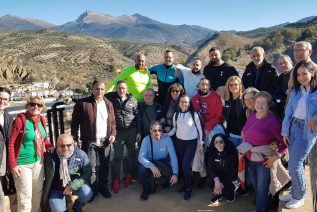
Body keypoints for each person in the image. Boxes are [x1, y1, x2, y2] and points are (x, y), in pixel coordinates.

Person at [241, 91, 286, 212]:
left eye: (263, 103)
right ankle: (265, 204)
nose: (260, 105)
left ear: (268, 105)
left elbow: (286, 143)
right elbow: (246, 132)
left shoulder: (272, 121)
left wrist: (277, 155)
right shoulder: (251, 115)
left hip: (264, 161)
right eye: (258, 102)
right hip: (250, 157)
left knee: (262, 188)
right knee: (256, 186)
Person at [280, 61, 317, 209]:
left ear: (312, 73)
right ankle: (296, 192)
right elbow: (288, 112)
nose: (301, 77)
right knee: (295, 164)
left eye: (304, 74)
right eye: (298, 74)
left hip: (307, 131)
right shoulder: (296, 91)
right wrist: (284, 131)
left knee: (295, 165)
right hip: (293, 127)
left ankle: (299, 196)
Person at [71, 80, 116, 200]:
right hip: (89, 141)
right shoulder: (83, 103)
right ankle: (93, 189)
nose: (99, 91)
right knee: (90, 168)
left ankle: (104, 187)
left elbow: (112, 122)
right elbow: (74, 123)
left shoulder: (108, 103)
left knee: (105, 166)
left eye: (102, 89)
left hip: (105, 141)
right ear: (92, 89)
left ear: (104, 90)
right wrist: (74, 138)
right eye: (97, 89)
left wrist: (112, 134)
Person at [8, 97, 53, 212]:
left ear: (42, 108)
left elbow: (44, 139)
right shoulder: (20, 120)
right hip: (22, 164)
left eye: (39, 105)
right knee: (25, 197)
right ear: (28, 105)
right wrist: (13, 165)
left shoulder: (41, 120)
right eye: (33, 104)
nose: (36, 107)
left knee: (37, 192)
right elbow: (11, 143)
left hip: (38, 162)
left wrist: (49, 146)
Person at [105, 80, 141, 193]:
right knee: (117, 157)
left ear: (127, 89)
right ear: (116, 88)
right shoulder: (111, 98)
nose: (121, 90)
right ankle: (116, 180)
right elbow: (98, 96)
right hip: (118, 132)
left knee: (131, 156)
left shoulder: (133, 100)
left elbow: (138, 116)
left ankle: (129, 176)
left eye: (123, 88)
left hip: (131, 131)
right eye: (119, 88)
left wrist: (138, 132)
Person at [42, 134, 93, 212]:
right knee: (57, 209)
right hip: (57, 188)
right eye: (62, 146)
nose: (66, 148)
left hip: (74, 186)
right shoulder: (50, 156)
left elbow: (88, 172)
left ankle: (77, 206)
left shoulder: (81, 154)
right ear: (57, 145)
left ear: (73, 144)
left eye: (69, 145)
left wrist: (72, 186)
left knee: (87, 193)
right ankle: (63, 204)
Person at [167, 95, 203, 200]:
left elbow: (200, 130)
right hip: (179, 142)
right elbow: (174, 128)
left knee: (185, 165)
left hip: (191, 143)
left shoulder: (194, 114)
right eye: (182, 102)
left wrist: (201, 143)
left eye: (186, 102)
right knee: (182, 165)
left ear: (189, 103)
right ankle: (186, 184)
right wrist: (167, 134)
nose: (184, 104)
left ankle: (189, 189)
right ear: (179, 103)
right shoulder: (176, 114)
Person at [138, 121, 178, 201]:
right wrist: (152, 166)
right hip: (150, 165)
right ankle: (146, 190)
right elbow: (141, 157)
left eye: (159, 130)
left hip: (162, 164)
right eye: (155, 130)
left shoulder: (167, 139)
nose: (157, 132)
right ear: (150, 131)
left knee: (170, 178)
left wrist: (175, 173)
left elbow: (173, 157)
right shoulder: (146, 140)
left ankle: (161, 182)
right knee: (141, 168)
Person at [192, 78, 224, 147]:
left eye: (206, 84)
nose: (204, 87)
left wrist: (208, 127)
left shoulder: (216, 97)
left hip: (214, 126)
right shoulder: (194, 99)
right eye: (202, 84)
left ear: (209, 86)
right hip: (200, 127)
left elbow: (219, 116)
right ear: (199, 86)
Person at [208, 134, 238, 204]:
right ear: (214, 143)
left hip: (229, 179)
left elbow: (233, 173)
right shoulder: (212, 154)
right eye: (216, 142)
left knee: (229, 193)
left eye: (221, 142)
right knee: (209, 180)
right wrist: (216, 180)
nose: (218, 144)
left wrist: (222, 184)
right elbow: (210, 168)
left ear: (225, 143)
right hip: (218, 179)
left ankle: (230, 192)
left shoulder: (232, 155)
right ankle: (219, 194)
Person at [223, 76, 246, 147]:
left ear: (240, 86)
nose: (233, 86)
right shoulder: (226, 101)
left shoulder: (245, 100)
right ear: (228, 87)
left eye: (236, 84)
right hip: (232, 135)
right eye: (231, 85)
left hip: (245, 136)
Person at [0, 87, 12, 212]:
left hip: (3, 160)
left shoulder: (8, 117)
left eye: (5, 99)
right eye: (0, 98)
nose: (2, 101)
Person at [274, 55, 293, 120]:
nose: (283, 65)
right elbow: (278, 89)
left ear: (291, 62)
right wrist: (285, 90)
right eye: (280, 64)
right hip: (283, 105)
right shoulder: (281, 77)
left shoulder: (296, 73)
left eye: (285, 62)